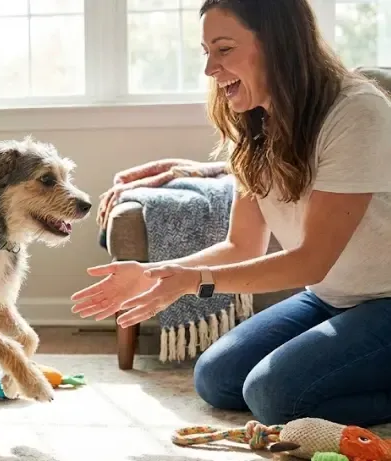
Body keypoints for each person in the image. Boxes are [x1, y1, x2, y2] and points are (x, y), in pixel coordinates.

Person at [72, 0, 391, 427]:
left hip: (384, 302)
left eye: (223, 49)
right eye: (206, 51)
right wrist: (156, 273)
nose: (209, 69)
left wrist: (195, 282)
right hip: (331, 298)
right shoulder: (256, 122)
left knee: (272, 395)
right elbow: (241, 244)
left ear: (279, 44)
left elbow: (313, 259)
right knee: (216, 378)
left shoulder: (355, 112)